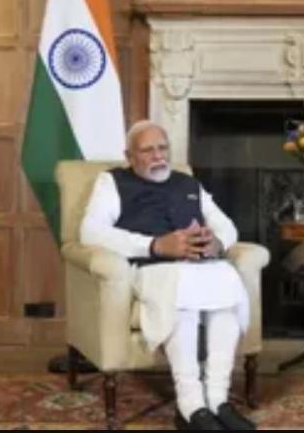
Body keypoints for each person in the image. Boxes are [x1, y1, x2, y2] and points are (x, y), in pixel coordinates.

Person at [80, 120, 256, 430]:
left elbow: (226, 226)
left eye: (162, 148)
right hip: (152, 269)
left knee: (227, 280)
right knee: (180, 287)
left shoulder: (188, 184)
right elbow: (90, 232)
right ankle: (191, 406)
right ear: (129, 156)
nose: (158, 156)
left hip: (197, 267)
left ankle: (218, 400)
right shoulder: (112, 182)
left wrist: (217, 243)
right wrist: (154, 245)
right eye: (147, 150)